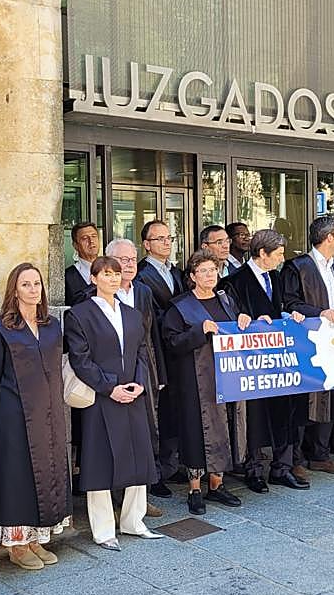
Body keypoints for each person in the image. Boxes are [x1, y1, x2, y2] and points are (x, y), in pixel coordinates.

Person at [64, 257, 161, 548]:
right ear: (93, 278)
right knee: (100, 462)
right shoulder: (79, 315)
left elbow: (143, 351)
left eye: (117, 274)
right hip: (101, 396)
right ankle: (104, 529)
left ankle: (133, 521)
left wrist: (141, 383)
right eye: (107, 274)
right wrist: (110, 387)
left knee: (138, 456)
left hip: (132, 394)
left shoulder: (132, 314)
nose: (113, 279)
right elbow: (80, 360)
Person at [0, 264, 72, 571]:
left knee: (47, 473)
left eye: (37, 284)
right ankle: (17, 545)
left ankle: (36, 539)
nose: (33, 289)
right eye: (26, 284)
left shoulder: (52, 326)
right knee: (17, 477)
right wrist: (2, 415)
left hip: (49, 413)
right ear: (14, 290)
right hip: (14, 414)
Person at [162, 251, 251, 514]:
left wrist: (244, 319)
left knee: (225, 425)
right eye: (203, 271)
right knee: (195, 430)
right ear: (192, 276)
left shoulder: (226, 300)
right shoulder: (179, 307)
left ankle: (217, 484)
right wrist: (198, 331)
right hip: (194, 381)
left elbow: (238, 330)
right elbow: (172, 343)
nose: (210, 275)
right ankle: (194, 488)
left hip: (226, 376)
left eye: (213, 270)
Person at [223, 230, 309, 490]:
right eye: (279, 254)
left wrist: (290, 314)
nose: (282, 258)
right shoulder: (234, 281)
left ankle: (281, 468)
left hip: (279, 359)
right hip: (252, 362)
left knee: (286, 409)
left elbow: (279, 306)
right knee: (255, 416)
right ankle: (254, 470)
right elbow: (231, 317)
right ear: (262, 253)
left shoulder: (275, 276)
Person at [281, 216, 334, 475]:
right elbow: (289, 303)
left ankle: (321, 454)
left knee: (330, 396)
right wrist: (319, 312)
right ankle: (295, 459)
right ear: (329, 237)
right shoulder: (297, 267)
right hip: (308, 343)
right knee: (304, 400)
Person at [104, 239, 166, 517]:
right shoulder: (95, 295)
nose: (129, 264)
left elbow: (152, 336)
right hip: (114, 379)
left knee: (145, 435)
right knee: (117, 440)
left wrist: (158, 373)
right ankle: (117, 503)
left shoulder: (142, 290)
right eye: (122, 259)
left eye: (132, 259)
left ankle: (141, 499)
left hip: (144, 373)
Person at [136, 220, 188, 493]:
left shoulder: (177, 273)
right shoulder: (142, 275)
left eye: (169, 237)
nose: (167, 242)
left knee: (174, 411)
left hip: (179, 351)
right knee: (158, 413)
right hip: (159, 350)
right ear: (146, 244)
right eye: (159, 239)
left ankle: (172, 464)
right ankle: (156, 473)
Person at [65, 222, 101, 306]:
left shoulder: (110, 270)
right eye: (85, 238)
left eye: (94, 236)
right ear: (75, 245)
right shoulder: (67, 277)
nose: (91, 241)